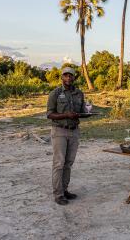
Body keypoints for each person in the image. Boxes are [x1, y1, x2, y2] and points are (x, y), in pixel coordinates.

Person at [46, 67, 85, 205]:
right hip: (59, 131)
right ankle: (58, 194)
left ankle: (65, 190)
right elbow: (49, 114)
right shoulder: (55, 93)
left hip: (74, 131)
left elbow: (82, 111)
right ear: (62, 77)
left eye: (71, 76)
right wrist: (66, 115)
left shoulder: (79, 93)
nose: (68, 78)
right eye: (65, 76)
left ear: (74, 78)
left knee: (68, 163)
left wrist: (86, 112)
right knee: (59, 163)